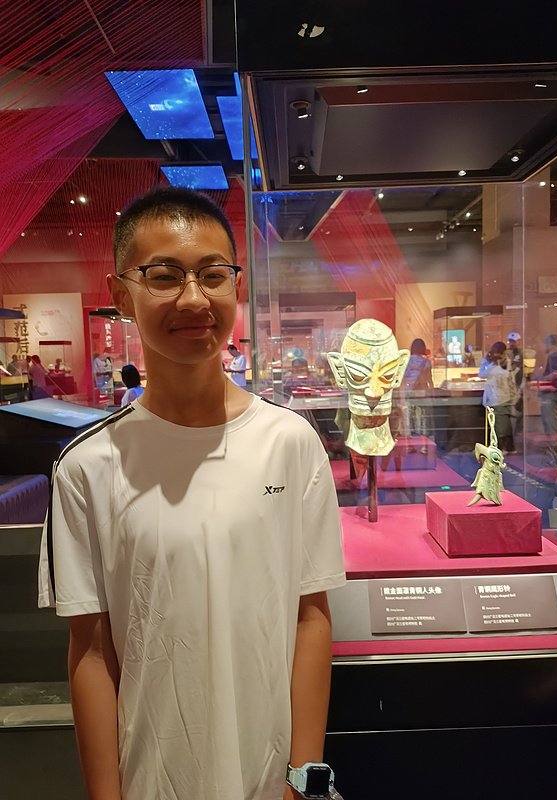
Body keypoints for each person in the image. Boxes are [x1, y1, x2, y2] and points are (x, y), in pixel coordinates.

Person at [38, 186, 345, 800]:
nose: (194, 299)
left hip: (269, 777)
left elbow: (310, 616)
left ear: (236, 284)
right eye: (164, 276)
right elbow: (91, 651)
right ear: (120, 294)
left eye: (212, 275)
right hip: (153, 778)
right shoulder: (87, 466)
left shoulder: (289, 441)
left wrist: (304, 779)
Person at [478, 341, 518, 454]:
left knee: (498, 425)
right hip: (506, 397)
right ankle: (510, 447)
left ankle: (501, 448)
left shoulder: (494, 367)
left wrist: (484, 361)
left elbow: (481, 374)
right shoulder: (507, 363)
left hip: (496, 399)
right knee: (506, 423)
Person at [400, 338, 433, 438]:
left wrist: (401, 396)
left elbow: (402, 380)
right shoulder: (426, 362)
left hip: (408, 392)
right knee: (422, 417)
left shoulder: (405, 362)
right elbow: (429, 380)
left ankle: (409, 439)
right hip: (421, 393)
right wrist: (433, 395)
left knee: (409, 416)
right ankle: (422, 439)